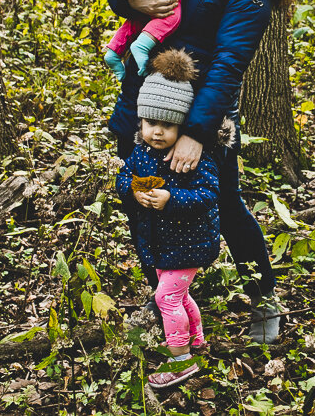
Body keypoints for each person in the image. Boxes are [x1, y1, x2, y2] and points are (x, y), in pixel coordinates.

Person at [106, 0, 300, 344]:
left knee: (226, 205)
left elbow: (229, 66)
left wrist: (195, 133)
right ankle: (168, 301)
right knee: (141, 197)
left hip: (199, 116)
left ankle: (264, 298)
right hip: (144, 100)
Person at [116, 49, 222, 388]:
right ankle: (197, 340)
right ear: (141, 121)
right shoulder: (140, 152)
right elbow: (123, 177)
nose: (158, 132)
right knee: (181, 296)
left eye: (168, 125)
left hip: (190, 242)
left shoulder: (195, 159)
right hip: (160, 243)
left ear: (183, 125)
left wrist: (172, 199)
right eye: (151, 123)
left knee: (166, 298)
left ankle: (181, 362)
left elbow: (208, 195)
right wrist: (132, 191)